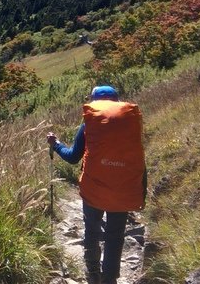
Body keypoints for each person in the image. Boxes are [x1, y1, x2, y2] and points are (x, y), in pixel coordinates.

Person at [46, 85, 146, 284]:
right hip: (123, 188)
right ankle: (110, 279)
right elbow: (139, 160)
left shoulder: (90, 123)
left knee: (92, 230)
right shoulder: (130, 123)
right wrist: (140, 189)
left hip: (94, 189)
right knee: (115, 235)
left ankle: (93, 272)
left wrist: (56, 144)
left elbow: (73, 157)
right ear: (116, 100)